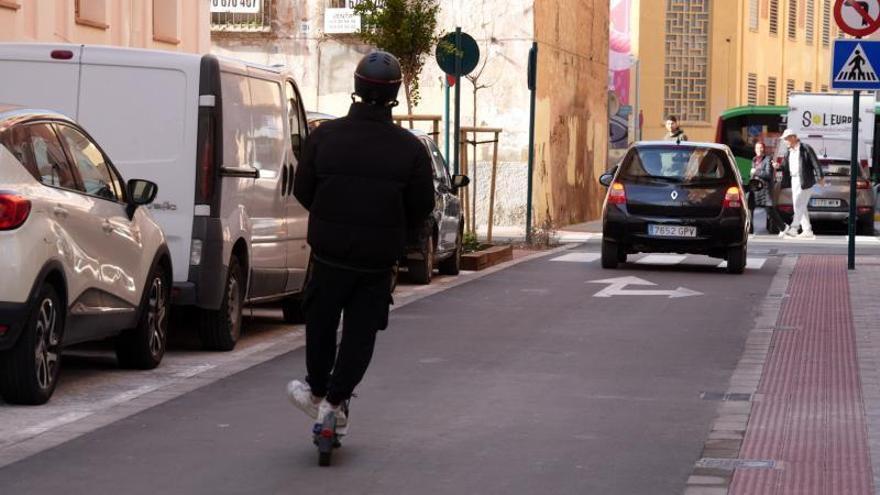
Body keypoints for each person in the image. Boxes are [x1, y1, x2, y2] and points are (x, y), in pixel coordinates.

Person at [287, 51, 435, 430]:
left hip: (329, 254)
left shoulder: (324, 137)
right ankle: (335, 401)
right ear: (395, 94)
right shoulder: (410, 149)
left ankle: (318, 390)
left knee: (320, 324)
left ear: (356, 87)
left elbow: (303, 190)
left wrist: (329, 212)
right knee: (360, 335)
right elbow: (422, 206)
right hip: (376, 262)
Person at [779, 129, 825, 239]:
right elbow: (785, 166)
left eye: (786, 139)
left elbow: (815, 162)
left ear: (793, 137)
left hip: (805, 179)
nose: (785, 141)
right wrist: (778, 166)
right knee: (799, 205)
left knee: (799, 203)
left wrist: (820, 177)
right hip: (794, 179)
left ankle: (794, 228)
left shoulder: (805, 148)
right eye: (784, 139)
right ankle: (807, 230)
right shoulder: (789, 151)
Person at [749, 142, 787, 236]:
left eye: (761, 147)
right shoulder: (754, 159)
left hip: (765, 189)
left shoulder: (768, 159)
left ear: (764, 149)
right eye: (757, 148)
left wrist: (756, 171)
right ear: (755, 149)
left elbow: (768, 175)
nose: (759, 149)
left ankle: (783, 227)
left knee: (769, 209)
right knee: (750, 209)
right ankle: (750, 231)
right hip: (755, 188)